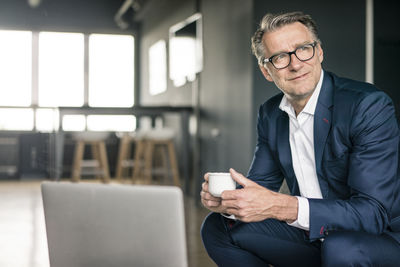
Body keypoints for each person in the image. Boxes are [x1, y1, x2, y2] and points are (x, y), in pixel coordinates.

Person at [200, 11, 400, 267]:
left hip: (380, 239)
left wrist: (283, 207)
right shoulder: (271, 114)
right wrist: (228, 201)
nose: (295, 64)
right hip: (313, 236)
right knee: (219, 228)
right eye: (280, 57)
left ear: (319, 53)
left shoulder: (367, 105)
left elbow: (373, 214)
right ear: (267, 71)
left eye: (303, 49)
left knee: (341, 249)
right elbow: (261, 185)